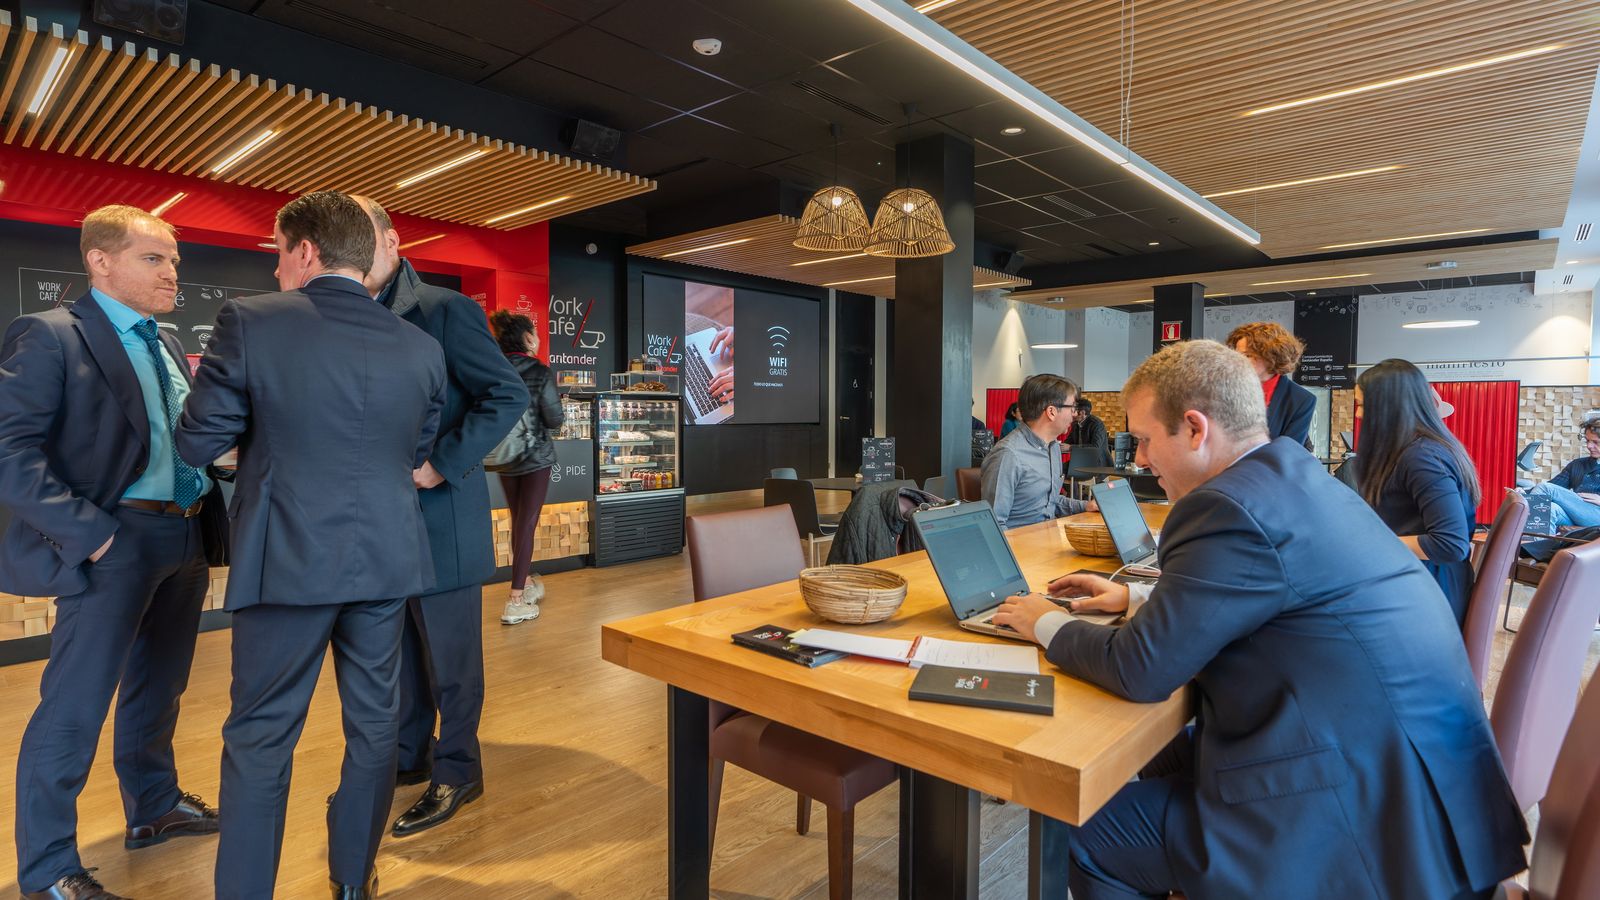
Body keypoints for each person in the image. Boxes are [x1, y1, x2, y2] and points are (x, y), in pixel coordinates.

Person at [993, 340, 1525, 900]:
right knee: (1171, 750)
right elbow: (1285, 596)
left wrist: (1043, 622)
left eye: (1147, 441)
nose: (1142, 460)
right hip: (1423, 787)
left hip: (1358, 813)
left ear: (1196, 430)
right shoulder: (1295, 474)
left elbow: (1142, 670)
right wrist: (1135, 603)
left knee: (1085, 839)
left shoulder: (1223, 506)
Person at [176, 191, 446, 900]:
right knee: (375, 726)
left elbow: (198, 439)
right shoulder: (421, 348)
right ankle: (352, 879)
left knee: (262, 738)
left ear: (304, 251)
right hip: (387, 558)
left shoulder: (251, 321)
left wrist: (253, 448)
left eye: (277, 254)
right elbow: (413, 453)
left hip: (287, 558)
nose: (273, 272)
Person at [0, 206, 229, 900]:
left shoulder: (160, 344)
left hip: (183, 534)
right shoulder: (50, 336)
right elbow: (9, 451)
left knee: (160, 687)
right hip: (112, 541)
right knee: (72, 708)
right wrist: (89, 532)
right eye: (155, 259)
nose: (173, 275)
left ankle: (152, 807)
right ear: (101, 261)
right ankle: (45, 870)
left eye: (176, 261)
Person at [351, 197, 529, 839]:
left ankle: (459, 769)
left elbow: (505, 393)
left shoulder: (446, 310)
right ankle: (410, 757)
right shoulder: (349, 314)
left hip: (441, 514)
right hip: (378, 522)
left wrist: (441, 463)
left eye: (362, 237)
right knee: (396, 652)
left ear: (393, 242)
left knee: (452, 660)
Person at [1352, 359, 1480, 625]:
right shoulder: (1419, 450)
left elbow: (1450, 544)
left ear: (1388, 408)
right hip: (1421, 582)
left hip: (1428, 595)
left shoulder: (1421, 458)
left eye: (1363, 405)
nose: (1359, 415)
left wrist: (1369, 544)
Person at [486, 311, 564, 624]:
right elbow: (555, 419)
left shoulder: (494, 367)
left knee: (519, 519)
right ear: (527, 338)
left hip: (506, 456)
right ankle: (516, 599)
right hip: (535, 458)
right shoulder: (539, 371)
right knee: (527, 522)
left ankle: (526, 582)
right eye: (536, 332)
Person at [980, 374, 1095, 528]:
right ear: (1051, 412)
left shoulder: (1053, 447)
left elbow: (1050, 501)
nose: (1075, 414)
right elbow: (994, 524)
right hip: (1023, 547)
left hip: (1048, 538)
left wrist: (1085, 506)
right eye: (1072, 407)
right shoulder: (1008, 455)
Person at [1227, 321, 1315, 447]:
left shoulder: (1300, 400)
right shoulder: (1225, 388)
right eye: (1237, 355)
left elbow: (1289, 453)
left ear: (1270, 357)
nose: (1239, 361)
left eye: (1247, 355)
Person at [1525, 415, 1600, 528]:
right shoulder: (1578, 465)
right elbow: (1553, 486)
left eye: (1595, 442)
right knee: (1549, 509)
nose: (1589, 446)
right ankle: (1536, 544)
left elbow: (1546, 488)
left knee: (1544, 488)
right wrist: (1523, 493)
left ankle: (1523, 539)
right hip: (1578, 514)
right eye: (1588, 441)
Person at [1063, 396, 1111, 463]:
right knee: (1059, 469)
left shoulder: (1096, 424)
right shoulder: (1075, 424)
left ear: (1082, 413)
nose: (1072, 414)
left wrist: (1071, 447)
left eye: (1074, 411)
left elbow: (1095, 447)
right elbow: (1068, 442)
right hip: (1081, 461)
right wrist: (1059, 447)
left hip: (1097, 463)